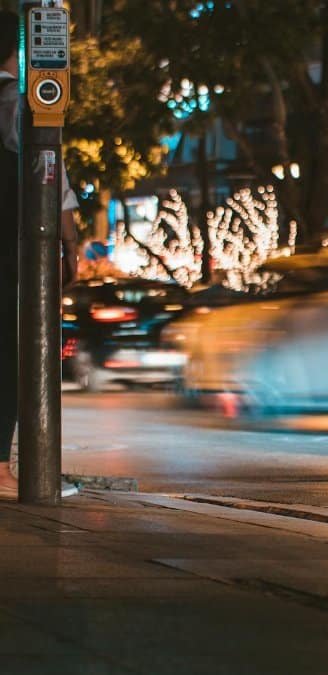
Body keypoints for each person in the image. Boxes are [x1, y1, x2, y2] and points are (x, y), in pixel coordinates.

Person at [0, 10, 80, 491]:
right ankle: (2, 468)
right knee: (11, 353)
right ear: (18, 49)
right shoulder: (16, 104)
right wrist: (69, 244)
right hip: (10, 251)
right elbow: (51, 173)